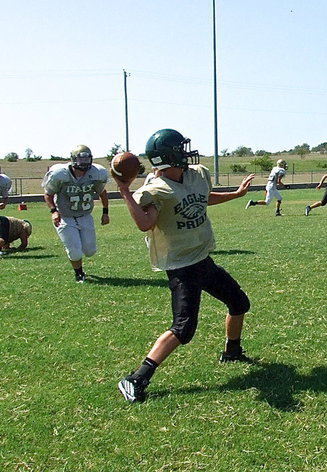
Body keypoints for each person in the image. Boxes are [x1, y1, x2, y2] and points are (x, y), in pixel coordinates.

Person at [115, 128, 256, 403]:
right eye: (181, 148)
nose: (187, 151)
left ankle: (232, 351)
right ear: (170, 156)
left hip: (202, 259)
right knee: (183, 328)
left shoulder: (197, 174)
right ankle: (135, 378)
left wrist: (236, 195)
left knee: (239, 303)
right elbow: (145, 223)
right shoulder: (157, 190)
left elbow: (203, 198)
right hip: (182, 266)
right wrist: (124, 190)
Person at [43, 145, 109, 283]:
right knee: (75, 250)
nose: (84, 162)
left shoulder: (95, 173)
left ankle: (80, 267)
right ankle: (79, 273)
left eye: (86, 158)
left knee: (90, 251)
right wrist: (54, 211)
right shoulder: (60, 174)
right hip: (65, 216)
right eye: (81, 158)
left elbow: (102, 193)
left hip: (85, 216)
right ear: (73, 159)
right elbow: (48, 194)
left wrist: (105, 212)